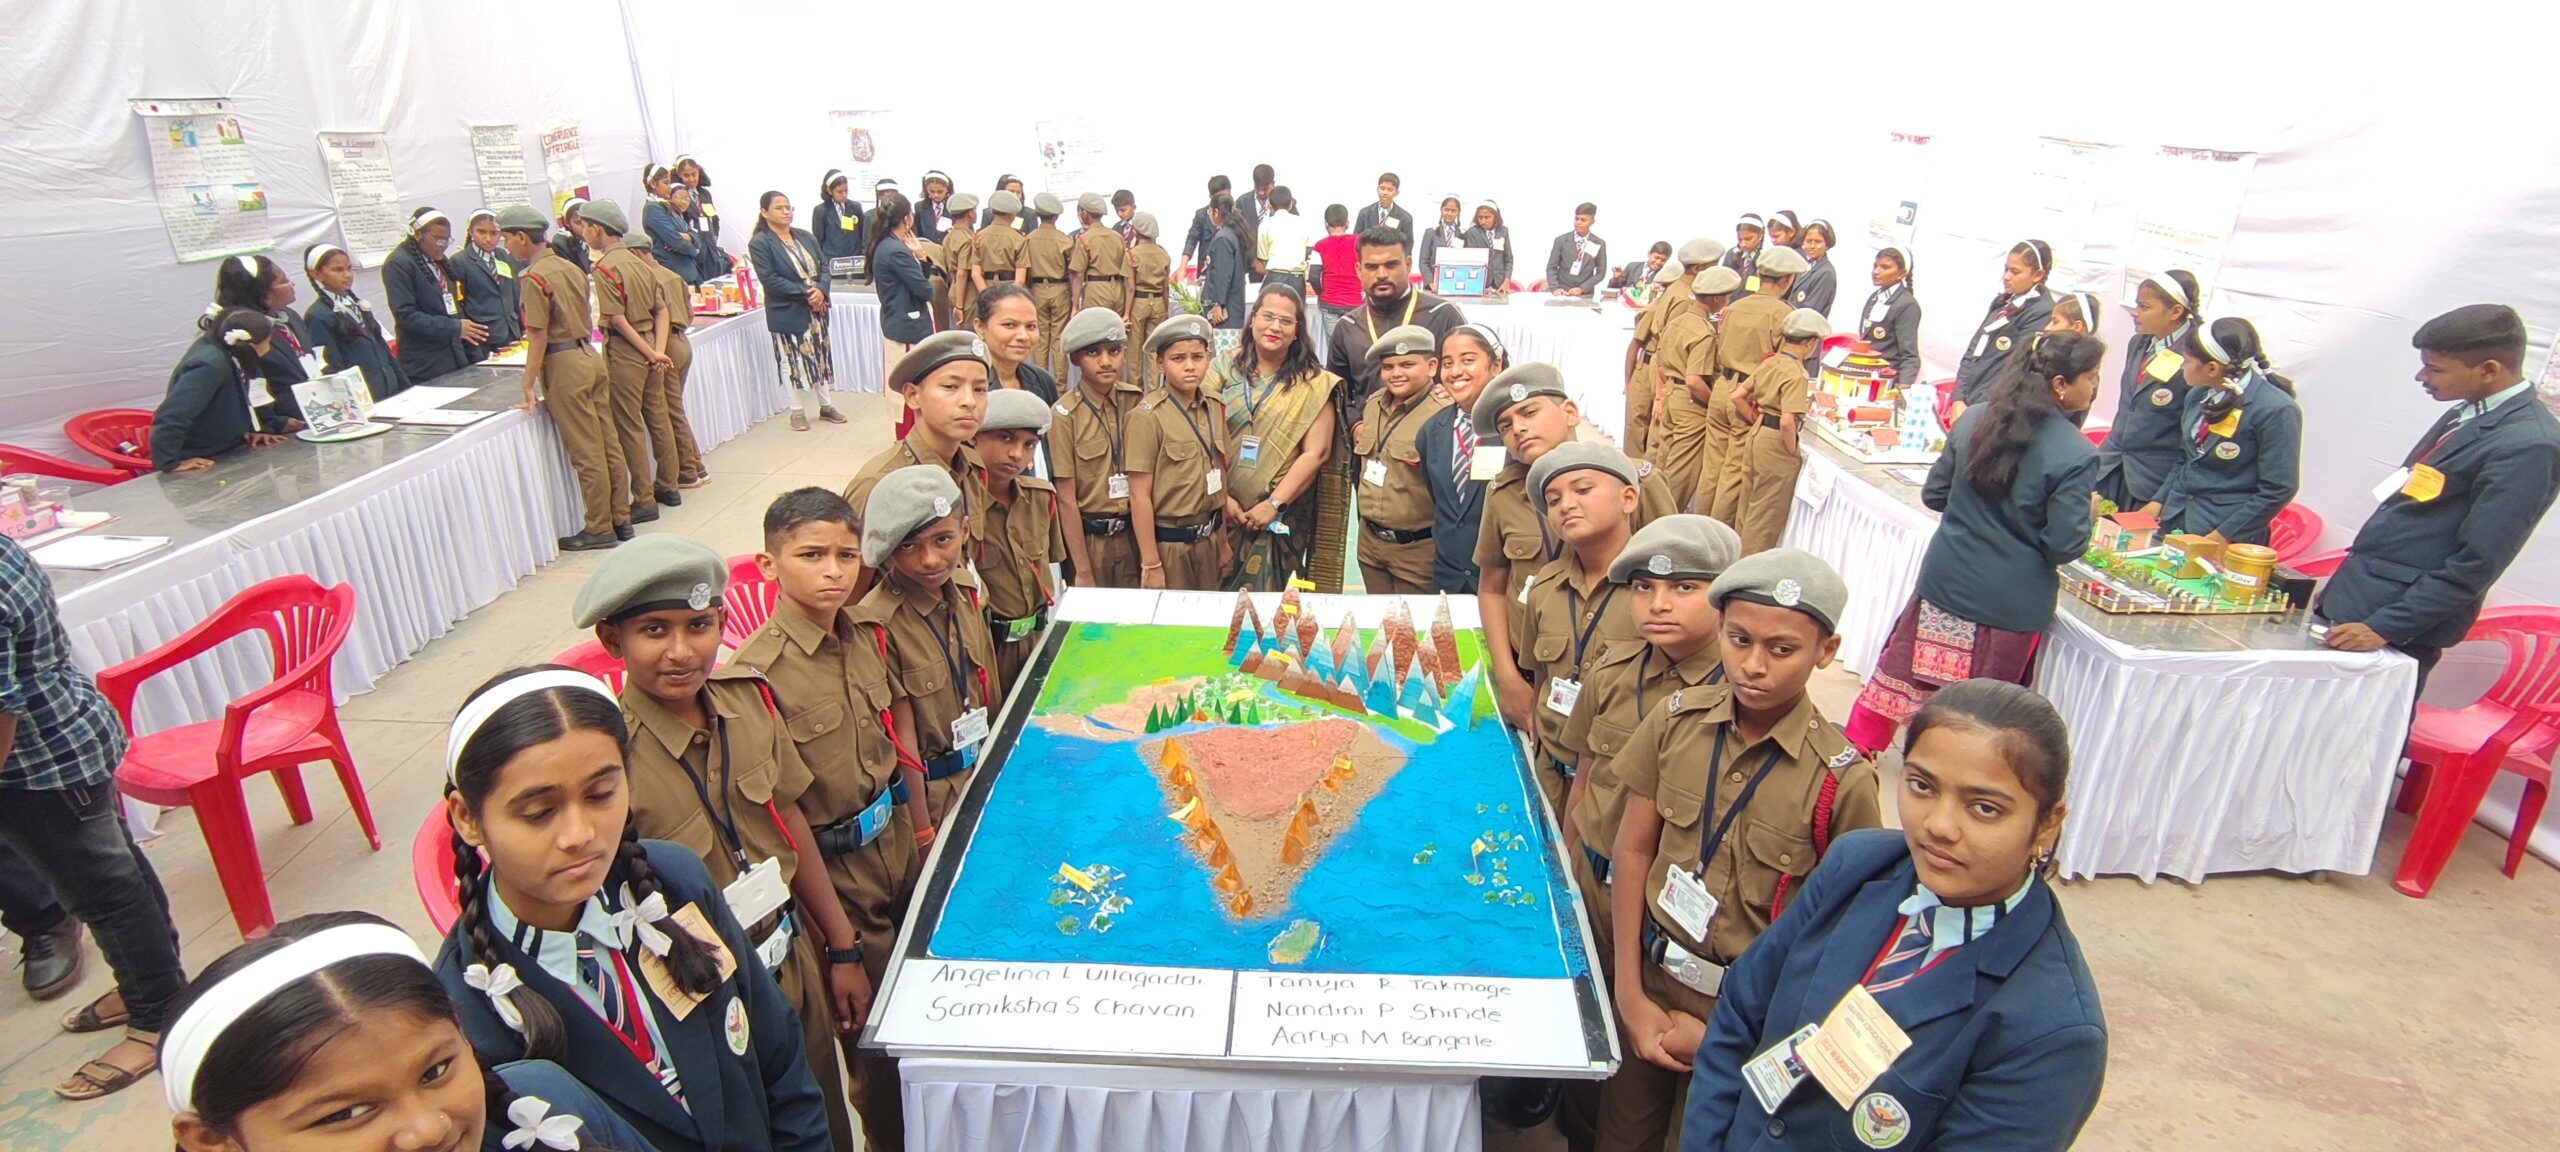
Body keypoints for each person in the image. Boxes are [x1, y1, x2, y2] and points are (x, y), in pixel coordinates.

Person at [1684, 679, 2108, 1151]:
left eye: (1984, 808)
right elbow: (1741, 1011)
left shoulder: (2052, 1029)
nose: (1939, 825)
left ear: (2047, 824)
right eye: (1922, 785)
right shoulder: (1856, 867)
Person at [436, 665, 832, 1152]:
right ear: (467, 818)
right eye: (538, 813)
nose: (580, 834)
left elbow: (779, 1055)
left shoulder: (675, 882)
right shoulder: (465, 1015)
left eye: (601, 794)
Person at [571, 535, 862, 1151]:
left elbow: (788, 818)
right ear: (613, 641)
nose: (682, 651)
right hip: (701, 995)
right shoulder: (606, 762)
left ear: (723, 625)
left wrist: (840, 947)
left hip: (791, 956)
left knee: (820, 1121)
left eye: (699, 626)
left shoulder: (749, 702)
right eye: (655, 630)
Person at [1607, 547, 1881, 1150]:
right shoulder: (1675, 722)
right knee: (1620, 1134)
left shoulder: (1841, 780)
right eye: (1739, 641)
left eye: (1782, 650)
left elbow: (1845, 944)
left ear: (1826, 652)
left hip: (1747, 1019)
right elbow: (1632, 852)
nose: (1754, 665)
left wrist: (1730, 1042)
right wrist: (1629, 993)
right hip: (1651, 979)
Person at [728, 489, 919, 1152]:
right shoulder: (754, 678)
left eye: (846, 554)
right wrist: (839, 948)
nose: (834, 571)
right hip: (836, 884)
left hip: (895, 849)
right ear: (769, 564)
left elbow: (891, 745)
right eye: (811, 556)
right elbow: (784, 822)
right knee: (877, 1055)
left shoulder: (866, 635)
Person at [1550, 514, 1740, 1150]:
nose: (1659, 604)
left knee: (1645, 1065)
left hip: (1664, 911)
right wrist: (1567, 868)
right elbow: (1584, 778)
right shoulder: (1613, 667)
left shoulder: (1737, 691)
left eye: (1685, 588)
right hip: (1592, 880)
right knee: (1585, 1029)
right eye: (1643, 588)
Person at [164, 911, 653, 1152]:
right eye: (346, 1113)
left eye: (436, 1071)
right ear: (213, 1142)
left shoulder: (545, 1101)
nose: (427, 1130)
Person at [1846, 332, 2103, 754]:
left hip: (1946, 581)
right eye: (2091, 377)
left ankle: (1852, 755)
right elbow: (2063, 544)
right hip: (2007, 604)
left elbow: (1935, 494)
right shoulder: (2075, 453)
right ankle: (1957, 768)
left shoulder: (1975, 418)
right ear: (2061, 383)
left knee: (1900, 677)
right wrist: (2087, 516)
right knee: (1983, 711)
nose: (2094, 388)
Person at [0, 535, 186, 1100]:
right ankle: (155, 988)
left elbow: (2, 709)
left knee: (105, 893)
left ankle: (157, 1016)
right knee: (119, 873)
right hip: (68, 735)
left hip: (39, 768)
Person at [2316, 303, 2560, 712]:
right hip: (2361, 600)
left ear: (2488, 369)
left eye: (2435, 369)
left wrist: (2384, 626)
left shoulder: (2530, 444)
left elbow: (2478, 561)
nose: (2422, 377)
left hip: (2394, 625)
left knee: (2359, 735)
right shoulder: (2468, 411)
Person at [1472, 365, 1683, 735]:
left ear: (1569, 412)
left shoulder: (1633, 481)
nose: (1518, 428)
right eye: (1505, 425)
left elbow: (1677, 578)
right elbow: (1492, 588)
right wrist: (1508, 679)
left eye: (1529, 412)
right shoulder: (1502, 494)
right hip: (1538, 672)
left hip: (1625, 677)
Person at [1322, 227, 1468, 592]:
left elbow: (1469, 373)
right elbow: (1338, 392)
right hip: (1370, 452)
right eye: (1372, 267)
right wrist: (1356, 425)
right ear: (1358, 270)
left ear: (1408, 263)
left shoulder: (1442, 315)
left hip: (1425, 461)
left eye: (1391, 264)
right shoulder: (1348, 326)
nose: (1381, 274)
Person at [853, 465, 998, 825]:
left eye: (943, 540)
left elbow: (987, 680)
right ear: (888, 551)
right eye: (909, 546)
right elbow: (898, 741)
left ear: (965, 531)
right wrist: (921, 831)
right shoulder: (877, 624)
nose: (930, 559)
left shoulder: (965, 590)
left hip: (985, 764)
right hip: (933, 797)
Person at [1519, 442, 1648, 815]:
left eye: (1583, 489)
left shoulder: (1654, 595)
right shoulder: (1546, 587)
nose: (1566, 505)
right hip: (1552, 773)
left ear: (1628, 498)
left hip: (1619, 792)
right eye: (1554, 500)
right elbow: (1541, 677)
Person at [500, 205, 625, 551]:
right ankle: (620, 517)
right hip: (588, 354)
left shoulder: (534, 277)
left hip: (564, 363)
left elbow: (538, 334)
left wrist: (527, 383)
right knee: (608, 443)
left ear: (522, 237)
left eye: (507, 238)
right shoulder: (570, 267)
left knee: (587, 451)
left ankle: (599, 526)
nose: (506, 245)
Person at [842, 332, 994, 599]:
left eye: (980, 389)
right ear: (913, 396)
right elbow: (851, 596)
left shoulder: (970, 465)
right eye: (951, 387)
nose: (969, 401)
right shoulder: (878, 482)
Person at [1217, 285, 1339, 591]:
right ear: (1253, 319)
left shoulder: (1314, 383)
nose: (1275, 327)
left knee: (1275, 610)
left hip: (1280, 516)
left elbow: (1316, 453)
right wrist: (1221, 499)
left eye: (1286, 321)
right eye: (1268, 316)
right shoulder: (1221, 369)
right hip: (1221, 512)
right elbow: (1200, 436)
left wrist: (1273, 504)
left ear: (1298, 330)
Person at [2140, 317, 2303, 546]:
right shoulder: (2196, 396)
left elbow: (2278, 489)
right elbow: (2186, 458)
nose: (2181, 366)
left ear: (2212, 368)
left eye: (2187, 360)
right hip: (2176, 519)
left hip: (2225, 531)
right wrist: (2158, 501)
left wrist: (2225, 535)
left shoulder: (2275, 410)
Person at [585, 199, 673, 529]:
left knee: (629, 425)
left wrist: (649, 353)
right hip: (651, 343)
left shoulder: (606, 267)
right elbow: (661, 311)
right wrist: (658, 350)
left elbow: (617, 319)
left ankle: (644, 499)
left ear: (596, 229)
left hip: (628, 350)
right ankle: (669, 485)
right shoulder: (641, 264)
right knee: (658, 416)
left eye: (585, 227)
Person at [1703, 247, 1808, 522]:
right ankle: (1717, 534)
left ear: (1759, 274)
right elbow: (1780, 366)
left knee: (1711, 467)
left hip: (1722, 386)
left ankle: (1697, 523)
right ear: (1788, 279)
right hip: (1748, 395)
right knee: (1734, 473)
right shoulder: (1784, 314)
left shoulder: (1735, 306)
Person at [971, 389, 1067, 689]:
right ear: (975, 438)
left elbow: (1051, 570)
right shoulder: (961, 507)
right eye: (1005, 438)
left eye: (1029, 444)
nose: (1017, 454)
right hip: (988, 649)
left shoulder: (1041, 498)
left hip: (1036, 639)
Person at [1128, 314, 1231, 591]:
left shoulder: (1214, 407)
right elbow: (1139, 495)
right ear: (1160, 364)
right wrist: (1151, 563)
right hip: (1170, 546)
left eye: (1198, 357)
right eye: (1178, 358)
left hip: (1209, 539)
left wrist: (1222, 542)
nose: (1190, 366)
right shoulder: (1147, 416)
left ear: (1208, 358)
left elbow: (1220, 479)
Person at [1350, 325, 1452, 594]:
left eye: (1407, 365)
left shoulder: (1444, 413)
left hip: (1416, 550)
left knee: (1414, 620)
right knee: (1377, 617)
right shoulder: (1374, 404)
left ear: (1431, 366)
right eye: (1388, 367)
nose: (1396, 373)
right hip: (1370, 545)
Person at [1053, 308, 1146, 587]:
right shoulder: (1063, 416)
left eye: (1114, 351)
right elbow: (1066, 499)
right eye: (1093, 353)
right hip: (1091, 542)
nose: (1106, 362)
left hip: (1134, 534)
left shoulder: (1135, 402)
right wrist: (1082, 570)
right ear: (1075, 358)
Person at [2093, 270, 2201, 508]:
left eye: (2144, 307)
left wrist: (2163, 497)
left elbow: (2189, 438)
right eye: (2136, 305)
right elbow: (2129, 407)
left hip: (2151, 481)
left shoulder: (2194, 356)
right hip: (2111, 468)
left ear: (2175, 311)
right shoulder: (2139, 343)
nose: (2135, 312)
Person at [1733, 308, 1834, 553]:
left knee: (1748, 504)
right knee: (1766, 514)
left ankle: (1737, 557)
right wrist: (1792, 451)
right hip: (1776, 442)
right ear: (1810, 343)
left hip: (1758, 434)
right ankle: (1751, 565)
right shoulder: (1796, 374)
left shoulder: (1771, 362)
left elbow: (1737, 396)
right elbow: (1788, 421)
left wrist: (1757, 419)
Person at [1417, 325, 1508, 593]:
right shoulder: (1431, 432)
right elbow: (1441, 500)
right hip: (1449, 579)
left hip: (1502, 580)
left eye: (1468, 360)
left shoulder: (1515, 430)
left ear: (1496, 365)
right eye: (1448, 363)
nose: (1456, 371)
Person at [748, 191, 845, 432]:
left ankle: (826, 405)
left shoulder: (805, 236)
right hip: (787, 309)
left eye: (788, 207)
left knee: (820, 356)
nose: (786, 212)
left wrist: (821, 290)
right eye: (779, 208)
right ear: (764, 212)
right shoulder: (761, 242)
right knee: (789, 360)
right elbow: (770, 279)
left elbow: (824, 267)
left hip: (817, 308)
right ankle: (796, 410)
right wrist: (807, 293)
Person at [152, 308, 292, 473]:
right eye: (267, 343)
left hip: (227, 449)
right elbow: (172, 415)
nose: (268, 349)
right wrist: (170, 463)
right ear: (250, 345)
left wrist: (248, 431)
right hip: (205, 456)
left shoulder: (226, 352)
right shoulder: (208, 365)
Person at [1650, 265, 1743, 507]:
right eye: (1726, 296)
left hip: (1671, 392)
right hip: (1690, 403)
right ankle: (1665, 517)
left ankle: (1652, 512)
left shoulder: (1677, 322)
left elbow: (1660, 363)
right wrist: (1713, 401)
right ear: (1716, 298)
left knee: (1664, 460)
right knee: (1681, 473)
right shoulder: (1703, 332)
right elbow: (1694, 380)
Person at [1624, 238, 1723, 459]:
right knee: (1655, 439)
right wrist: (1660, 395)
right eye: (1713, 266)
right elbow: (1670, 347)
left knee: (1641, 433)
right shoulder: (1685, 299)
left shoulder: (1676, 288)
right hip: (1664, 371)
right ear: (1698, 269)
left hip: (1655, 366)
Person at [1951, 239, 2057, 418]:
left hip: (1992, 407)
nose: (2007, 277)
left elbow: (2015, 369)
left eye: (2015, 272)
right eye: (2006, 269)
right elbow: (1973, 351)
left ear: (2038, 275)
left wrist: (1976, 409)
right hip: (1969, 398)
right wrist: (1958, 397)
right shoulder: (2003, 302)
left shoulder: (2041, 312)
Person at [298, 244, 410, 405]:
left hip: (390, 390)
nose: (347, 275)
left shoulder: (359, 305)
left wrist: (405, 385)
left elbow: (383, 349)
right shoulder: (318, 315)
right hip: (363, 397)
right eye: (338, 270)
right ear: (317, 274)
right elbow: (333, 365)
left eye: (349, 268)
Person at [206, 254, 307, 430]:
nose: (292, 284)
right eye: (283, 281)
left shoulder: (290, 317)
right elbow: (250, 381)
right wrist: (274, 422)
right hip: (284, 424)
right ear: (264, 293)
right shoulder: (248, 332)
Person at [383, 207, 481, 382]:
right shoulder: (398, 264)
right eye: (437, 239)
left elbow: (453, 306)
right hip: (426, 362)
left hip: (453, 355)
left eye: (446, 240)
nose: (443, 245)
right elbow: (406, 315)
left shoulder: (438, 260)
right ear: (417, 234)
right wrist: (453, 327)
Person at [643, 236, 709, 497]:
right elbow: (689, 313)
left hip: (666, 343)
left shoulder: (647, 278)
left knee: (671, 411)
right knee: (675, 407)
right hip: (682, 340)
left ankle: (688, 471)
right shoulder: (672, 275)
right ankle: (696, 465)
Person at [871, 190, 939, 379]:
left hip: (898, 320)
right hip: (908, 325)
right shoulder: (896, 251)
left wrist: (920, 256)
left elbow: (918, 279)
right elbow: (925, 290)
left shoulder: (889, 244)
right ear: (907, 219)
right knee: (911, 380)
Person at [453, 209, 524, 361]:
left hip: (511, 330)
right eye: (481, 232)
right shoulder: (460, 261)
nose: (488, 239)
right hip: (483, 336)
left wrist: (520, 325)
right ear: (471, 232)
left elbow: (513, 292)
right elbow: (459, 302)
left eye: (494, 233)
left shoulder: (503, 255)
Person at [974, 285, 1056, 404]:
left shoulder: (1042, 381)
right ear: (980, 327)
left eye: (1031, 326)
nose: (1023, 336)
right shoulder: (967, 382)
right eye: (1010, 325)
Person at [1857, 247, 1923, 394]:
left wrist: (1902, 389)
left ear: (1901, 273)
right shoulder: (1875, 297)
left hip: (1886, 382)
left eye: (1885, 267)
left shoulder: (1906, 305)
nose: (1876, 272)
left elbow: (1909, 355)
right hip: (1867, 376)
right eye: (1875, 266)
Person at [1023, 193, 1075, 376]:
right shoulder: (1065, 240)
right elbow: (1073, 271)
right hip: (1060, 289)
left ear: (1037, 214)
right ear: (1056, 216)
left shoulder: (1028, 240)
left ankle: (1040, 382)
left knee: (1039, 338)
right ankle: (1060, 386)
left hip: (1037, 289)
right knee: (1059, 339)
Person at [1126, 212, 1175, 388]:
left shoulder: (1131, 255)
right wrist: (1166, 309)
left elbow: (1130, 287)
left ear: (1135, 232)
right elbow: (1166, 287)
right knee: (1154, 350)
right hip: (1158, 302)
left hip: (1138, 302)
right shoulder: (1163, 254)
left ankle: (1136, 392)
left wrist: (1126, 313)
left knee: (1134, 353)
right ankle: (1155, 392)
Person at [1069, 192, 1129, 319]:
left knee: (1095, 327)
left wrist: (1075, 306)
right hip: (1118, 289)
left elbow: (1078, 275)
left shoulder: (1084, 239)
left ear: (1084, 213)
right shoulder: (1117, 237)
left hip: (1096, 290)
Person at [643, 167, 703, 284]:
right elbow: (675, 240)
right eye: (666, 183)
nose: (669, 187)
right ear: (653, 184)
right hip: (673, 273)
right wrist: (695, 250)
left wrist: (689, 237)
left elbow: (693, 234)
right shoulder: (653, 209)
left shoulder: (666, 206)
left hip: (686, 271)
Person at [1201, 192, 1249, 330]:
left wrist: (1218, 303)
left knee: (1222, 341)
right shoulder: (1235, 233)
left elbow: (1222, 274)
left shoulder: (1223, 238)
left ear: (1216, 212)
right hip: (1235, 301)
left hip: (1225, 307)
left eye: (1209, 211)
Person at [1310, 204, 1363, 327]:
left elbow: (1313, 276)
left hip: (1330, 302)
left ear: (1326, 224)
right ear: (1347, 224)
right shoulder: (1359, 242)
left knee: (1333, 339)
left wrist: (1320, 294)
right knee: (1354, 338)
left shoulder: (1319, 246)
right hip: (1354, 302)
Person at [1255, 187, 1311, 300]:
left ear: (1270, 205)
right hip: (1297, 278)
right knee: (1296, 310)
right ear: (1290, 204)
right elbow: (1307, 250)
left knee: (1270, 309)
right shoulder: (1302, 223)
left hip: (1274, 277)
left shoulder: (1265, 225)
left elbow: (1263, 258)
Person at [971, 190, 1027, 302]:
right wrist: (1010, 298)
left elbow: (976, 274)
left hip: (987, 286)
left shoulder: (978, 237)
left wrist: (986, 296)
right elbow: (1020, 279)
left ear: (992, 211)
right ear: (1012, 214)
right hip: (1010, 287)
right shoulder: (1018, 238)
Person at [1545, 203, 1608, 297]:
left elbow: (1600, 273)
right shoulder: (1561, 240)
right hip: (1562, 292)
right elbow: (1551, 267)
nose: (1578, 222)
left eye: (1583, 220)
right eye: (1576, 219)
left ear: (1592, 222)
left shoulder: (1599, 243)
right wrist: (1555, 288)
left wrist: (1582, 288)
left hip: (1585, 294)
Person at [940, 191, 981, 325]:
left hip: (953, 289)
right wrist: (960, 306)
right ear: (970, 213)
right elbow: (962, 274)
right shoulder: (966, 240)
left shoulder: (949, 236)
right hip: (966, 294)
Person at [1353, 172, 1416, 257]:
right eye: (1382, 188)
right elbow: (1357, 240)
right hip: (1369, 258)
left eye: (1390, 190)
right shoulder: (1364, 214)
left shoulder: (1405, 218)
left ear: (1396, 192)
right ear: (1377, 189)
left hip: (1392, 260)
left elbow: (1408, 245)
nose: (1385, 192)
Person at [811, 170, 862, 267]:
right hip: (832, 262)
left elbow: (862, 234)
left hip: (854, 261)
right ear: (830, 191)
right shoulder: (821, 210)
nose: (844, 195)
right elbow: (818, 240)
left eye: (846, 191)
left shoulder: (856, 207)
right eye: (840, 192)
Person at [1183, 175, 1231, 274]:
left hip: (1228, 269)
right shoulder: (1201, 215)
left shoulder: (1237, 216)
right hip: (1205, 271)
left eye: (1226, 196)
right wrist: (1183, 266)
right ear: (1211, 197)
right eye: (1218, 197)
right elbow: (1191, 240)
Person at [1790, 220, 1840, 316]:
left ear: (1827, 244)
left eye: (1818, 242)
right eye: (1808, 241)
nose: (1812, 246)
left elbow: (1811, 310)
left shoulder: (1826, 273)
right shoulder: (1802, 266)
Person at [1416, 195, 1466, 290]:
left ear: (1458, 212)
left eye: (1453, 211)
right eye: (1446, 210)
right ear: (1441, 210)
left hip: (1455, 283)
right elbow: (1423, 261)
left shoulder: (1463, 234)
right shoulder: (1431, 232)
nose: (1449, 213)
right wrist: (1430, 282)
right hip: (1434, 285)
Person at [1465, 199, 1513, 292]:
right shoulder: (1473, 232)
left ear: (1495, 217)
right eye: (1480, 218)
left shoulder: (1503, 231)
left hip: (1499, 283)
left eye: (1487, 217)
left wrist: (1507, 280)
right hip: (1481, 282)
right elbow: (1471, 261)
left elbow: (1508, 259)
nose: (1483, 221)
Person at [550, 196, 593, 273]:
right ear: (567, 223)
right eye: (578, 222)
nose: (584, 227)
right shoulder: (560, 244)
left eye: (588, 221)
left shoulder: (594, 234)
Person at [1721, 214, 1766, 286]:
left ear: (1761, 234)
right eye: (1740, 239)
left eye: (1748, 239)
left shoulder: (1766, 257)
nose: (1743, 244)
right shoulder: (1731, 254)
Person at [915, 169, 955, 242]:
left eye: (940, 191)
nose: (936, 195)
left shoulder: (954, 207)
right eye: (932, 191)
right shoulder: (919, 208)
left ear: (947, 189)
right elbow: (917, 233)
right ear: (926, 189)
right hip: (926, 247)